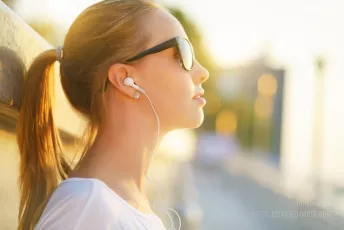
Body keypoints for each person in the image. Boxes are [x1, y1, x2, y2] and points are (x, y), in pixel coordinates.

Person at [16, 0, 209, 229]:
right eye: (182, 53)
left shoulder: (110, 206)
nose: (203, 72)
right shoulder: (86, 208)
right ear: (125, 79)